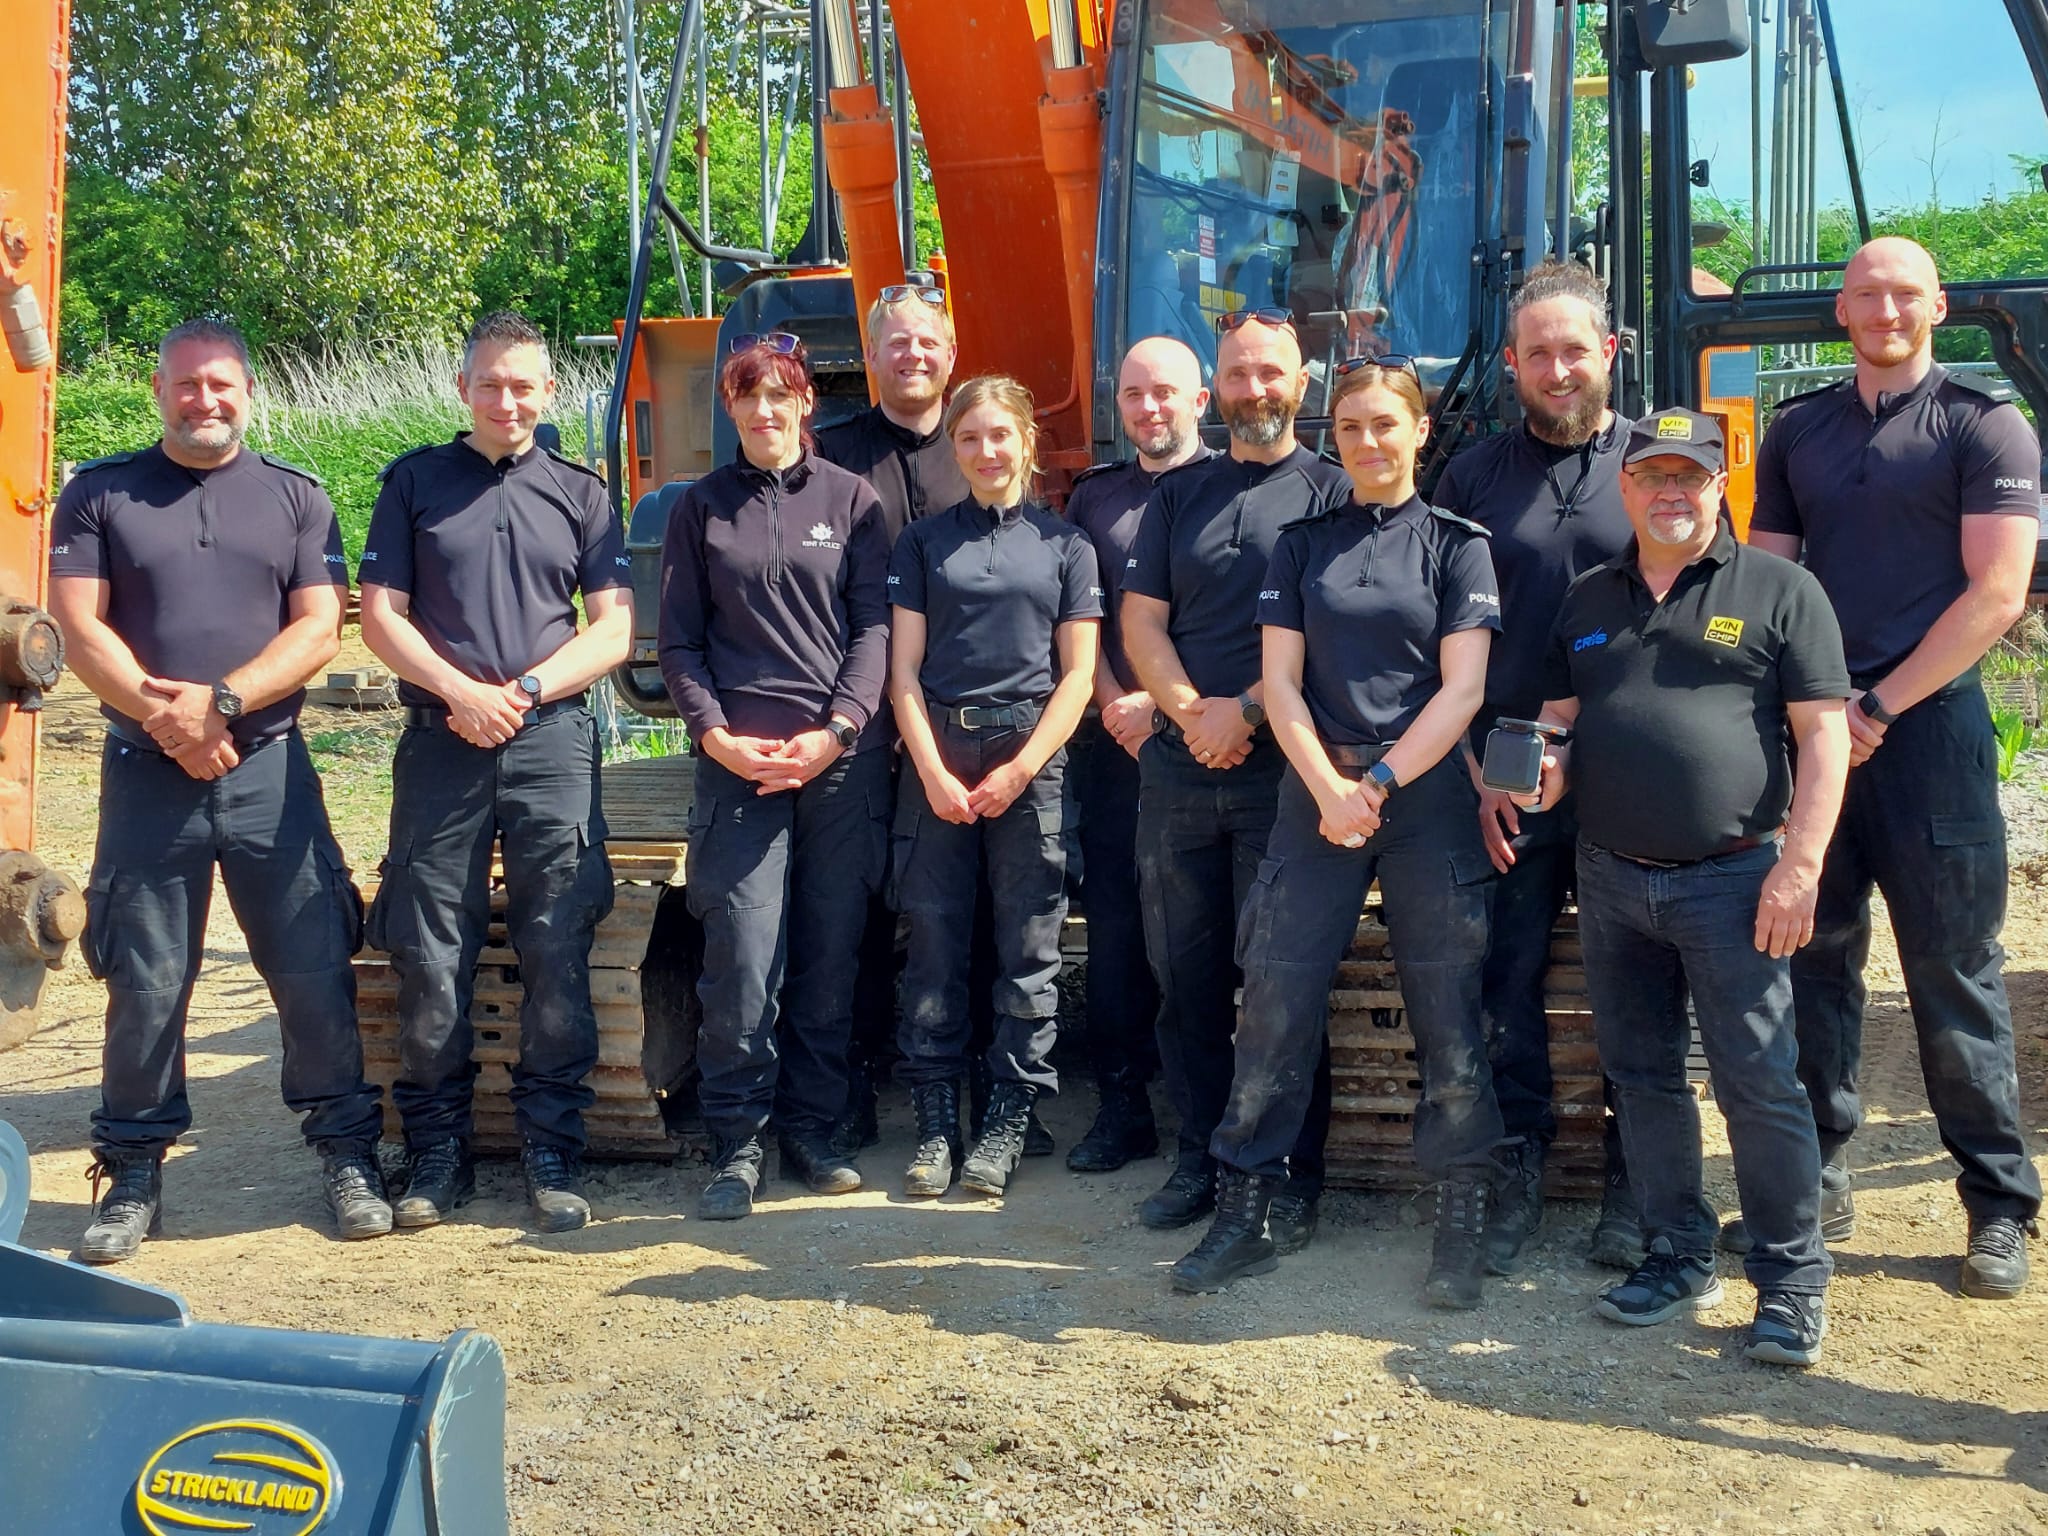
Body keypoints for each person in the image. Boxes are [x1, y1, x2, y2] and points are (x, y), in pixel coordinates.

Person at [50, 317, 389, 1261]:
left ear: (248, 390)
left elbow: (321, 627)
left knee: (312, 966)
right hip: (146, 775)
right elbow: (81, 631)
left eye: (222, 384)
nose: (205, 399)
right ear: (158, 390)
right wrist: (174, 724)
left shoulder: (293, 498)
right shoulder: (101, 493)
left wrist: (224, 705)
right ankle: (132, 1175)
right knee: (147, 980)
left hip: (270, 768)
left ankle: (347, 1156)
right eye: (187, 384)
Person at [1170, 357, 1507, 1304]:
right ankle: (1248, 1211)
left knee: (1448, 1013)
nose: (1366, 442)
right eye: (1350, 427)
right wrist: (1328, 786)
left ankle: (1461, 1220)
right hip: (1315, 793)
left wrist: (1386, 779)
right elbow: (1278, 684)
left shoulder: (1456, 546)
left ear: (1420, 431)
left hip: (1424, 795)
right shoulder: (1303, 544)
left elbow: (1465, 688)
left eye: (1384, 425)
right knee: (1273, 1001)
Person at [1746, 236, 2043, 1298]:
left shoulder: (1981, 423)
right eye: (1865, 292)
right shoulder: (1797, 431)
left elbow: (1996, 595)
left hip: (1928, 741)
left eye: (1903, 293)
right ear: (1839, 308)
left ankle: (1996, 1204)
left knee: (1950, 969)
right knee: (1810, 961)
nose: (1883, 308)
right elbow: (1765, 581)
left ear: (1937, 305)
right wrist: (1792, 708)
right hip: (1820, 737)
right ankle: (1817, 1172)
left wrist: (1875, 704)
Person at [1532, 407, 1850, 1366]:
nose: (1671, 492)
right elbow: (1558, 715)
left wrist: (1799, 868)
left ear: (1720, 486)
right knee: (1642, 1078)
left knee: (1759, 1085)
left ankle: (1791, 1282)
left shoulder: (1782, 591)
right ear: (1625, 487)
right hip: (1613, 879)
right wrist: (1543, 761)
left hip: (1735, 880)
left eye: (1691, 477)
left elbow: (1825, 736)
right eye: (1653, 476)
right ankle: (1676, 1252)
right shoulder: (1589, 597)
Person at [359, 311, 633, 1235]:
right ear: (463, 387)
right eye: (490, 383)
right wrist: (456, 691)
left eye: (524, 385)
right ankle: (437, 1150)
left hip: (549, 737)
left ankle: (551, 1145)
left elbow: (613, 629)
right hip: (442, 738)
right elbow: (381, 616)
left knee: (557, 940)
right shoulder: (414, 483)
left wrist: (518, 690)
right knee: (430, 948)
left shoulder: (582, 493)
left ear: (549, 393)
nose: (506, 400)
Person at [1121, 310, 1352, 1247]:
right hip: (1180, 771)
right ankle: (1200, 1158)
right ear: (1214, 389)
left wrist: (1247, 710)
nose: (1254, 389)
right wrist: (1191, 713)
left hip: (1287, 774)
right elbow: (1141, 623)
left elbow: (1339, 631)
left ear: (1304, 381)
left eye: (1272, 373)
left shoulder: (1336, 493)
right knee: (1184, 978)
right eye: (1239, 374)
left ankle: (1292, 1169)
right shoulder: (1179, 496)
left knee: (1282, 980)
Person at [1430, 259, 1641, 1274]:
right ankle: (1516, 1167)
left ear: (1606, 353)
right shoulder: (1469, 478)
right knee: (1501, 981)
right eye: (1536, 354)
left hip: (1626, 772)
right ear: (1510, 365)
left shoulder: (1658, 469)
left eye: (1573, 350)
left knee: (1631, 984)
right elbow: (1436, 633)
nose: (1556, 370)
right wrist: (1474, 767)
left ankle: (1632, 1183)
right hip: (1503, 774)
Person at [657, 332, 891, 1219]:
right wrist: (715, 737)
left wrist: (838, 730)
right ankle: (739, 1143)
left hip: (838, 765)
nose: (764, 410)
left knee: (831, 955)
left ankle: (812, 1128)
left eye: (778, 394)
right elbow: (678, 641)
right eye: (746, 396)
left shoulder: (853, 501)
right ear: (731, 408)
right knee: (744, 958)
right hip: (738, 768)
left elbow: (873, 631)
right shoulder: (700, 509)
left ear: (804, 403)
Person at [886, 375, 1102, 1197]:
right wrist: (935, 772)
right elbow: (902, 673)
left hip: (1031, 758)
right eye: (969, 439)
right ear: (956, 448)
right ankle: (938, 1126)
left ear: (1025, 443)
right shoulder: (922, 543)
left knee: (1029, 950)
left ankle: (1009, 1120)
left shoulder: (1066, 548)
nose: (985, 452)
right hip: (940, 752)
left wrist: (1020, 769)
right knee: (934, 946)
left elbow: (1077, 677)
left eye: (999, 436)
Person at [1061, 337, 1216, 1174]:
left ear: (1200, 402)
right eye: (1133, 395)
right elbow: (1076, 622)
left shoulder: (1234, 493)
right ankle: (1122, 1108)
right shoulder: (1094, 503)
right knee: (1117, 931)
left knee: (1203, 930)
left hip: (1209, 745)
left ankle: (1211, 1113)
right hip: (1113, 748)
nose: (1149, 408)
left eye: (1166, 393)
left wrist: (1163, 706)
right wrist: (1116, 705)